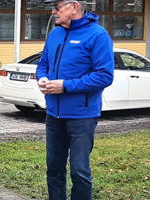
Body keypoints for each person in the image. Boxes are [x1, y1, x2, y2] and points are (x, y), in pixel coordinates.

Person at [36, 1, 114, 199]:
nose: (53, 11)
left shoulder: (97, 35)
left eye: (57, 6)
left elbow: (105, 76)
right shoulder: (55, 34)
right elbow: (43, 64)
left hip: (82, 116)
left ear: (74, 7)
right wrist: (42, 78)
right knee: (54, 169)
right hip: (54, 114)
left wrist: (65, 86)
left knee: (79, 171)